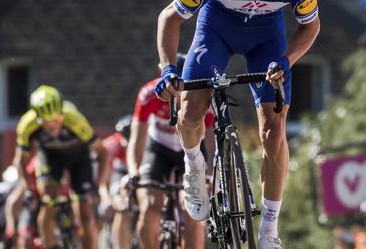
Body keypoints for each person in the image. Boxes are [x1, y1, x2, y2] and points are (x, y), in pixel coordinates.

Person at [153, 0, 320, 248]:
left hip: (266, 41)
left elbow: (311, 26)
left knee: (274, 133)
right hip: (217, 33)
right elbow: (169, 17)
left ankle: (270, 229)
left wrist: (287, 60)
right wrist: (167, 68)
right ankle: (195, 167)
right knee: (189, 113)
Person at [127, 54, 215, 249]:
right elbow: (137, 139)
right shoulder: (148, 95)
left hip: (191, 150)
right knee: (150, 207)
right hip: (158, 149)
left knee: (192, 210)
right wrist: (134, 170)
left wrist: (209, 174)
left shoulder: (199, 98)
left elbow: (210, 142)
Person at [12, 85, 108, 249]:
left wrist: (98, 185)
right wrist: (28, 187)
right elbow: (20, 160)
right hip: (50, 157)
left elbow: (103, 154)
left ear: (62, 114)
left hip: (78, 158)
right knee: (48, 201)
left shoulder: (75, 119)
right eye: (46, 123)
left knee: (84, 212)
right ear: (37, 118)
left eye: (56, 120)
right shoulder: (26, 125)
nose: (52, 126)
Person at [100, 115, 133, 249]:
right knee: (121, 204)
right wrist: (106, 199)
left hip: (138, 174)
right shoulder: (111, 146)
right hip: (119, 175)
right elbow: (104, 180)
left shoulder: (148, 140)